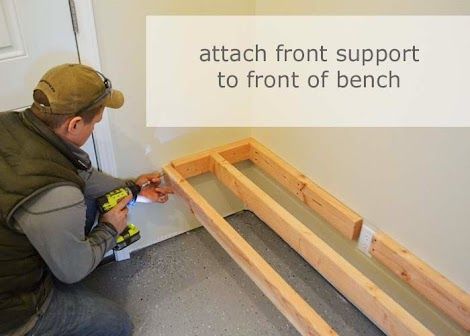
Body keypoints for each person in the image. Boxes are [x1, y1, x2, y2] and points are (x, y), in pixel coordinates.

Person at [0, 64, 173, 336]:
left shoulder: (10, 124)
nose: (94, 129)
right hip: (12, 311)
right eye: (95, 123)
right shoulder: (55, 194)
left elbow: (83, 177)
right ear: (75, 124)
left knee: (92, 201)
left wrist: (134, 189)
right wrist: (109, 228)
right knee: (117, 325)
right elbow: (73, 271)